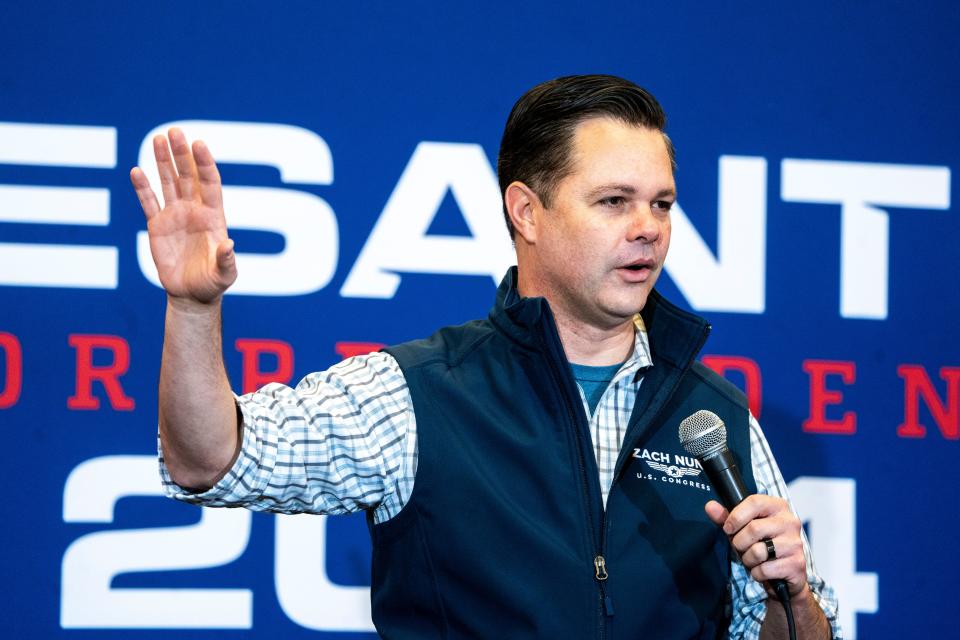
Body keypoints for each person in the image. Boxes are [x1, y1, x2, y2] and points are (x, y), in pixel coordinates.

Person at [130, 74, 841, 639]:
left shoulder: (713, 416)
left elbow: (787, 634)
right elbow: (209, 459)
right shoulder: (418, 393)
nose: (647, 230)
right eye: (614, 201)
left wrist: (793, 597)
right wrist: (194, 309)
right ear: (526, 212)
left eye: (661, 204)